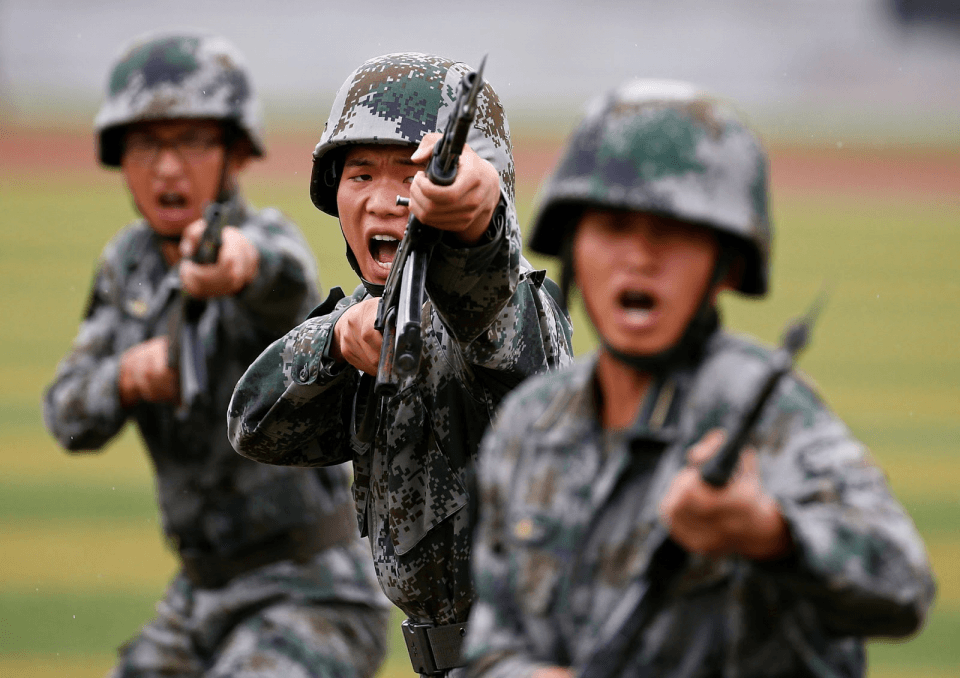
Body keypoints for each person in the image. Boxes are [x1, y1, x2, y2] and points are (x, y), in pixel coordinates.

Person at [463, 80, 936, 678]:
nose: (640, 256)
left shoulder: (766, 413)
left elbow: (902, 587)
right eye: (613, 226)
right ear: (572, 248)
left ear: (728, 264)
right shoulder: (529, 425)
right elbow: (488, 642)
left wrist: (770, 533)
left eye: (674, 231)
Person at [43, 31, 390, 678]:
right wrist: (124, 375)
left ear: (235, 153)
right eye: (147, 145)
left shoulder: (264, 240)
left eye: (194, 142)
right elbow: (67, 415)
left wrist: (234, 265)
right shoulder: (127, 268)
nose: (168, 168)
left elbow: (280, 275)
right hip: (198, 595)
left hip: (312, 593)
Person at [228, 52, 574, 675]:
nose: (385, 200)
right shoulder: (366, 318)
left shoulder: (516, 305)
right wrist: (333, 342)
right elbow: (254, 427)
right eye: (359, 175)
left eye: (409, 176)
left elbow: (486, 290)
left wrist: (476, 221)